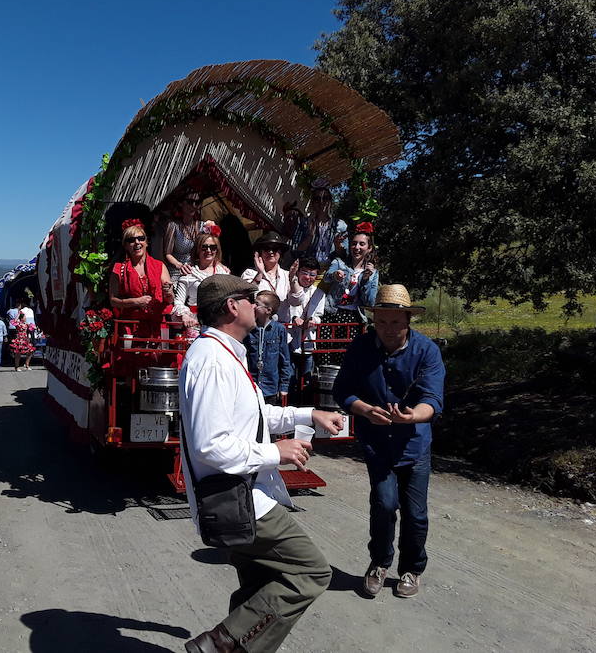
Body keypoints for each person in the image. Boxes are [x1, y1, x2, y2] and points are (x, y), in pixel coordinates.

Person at [180, 274, 344, 653]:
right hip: (239, 498)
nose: (259, 305)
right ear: (231, 307)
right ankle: (218, 644)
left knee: (259, 585)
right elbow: (211, 446)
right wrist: (277, 453)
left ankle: (230, 643)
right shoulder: (212, 361)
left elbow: (253, 416)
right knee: (312, 572)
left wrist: (307, 414)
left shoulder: (224, 353)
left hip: (244, 494)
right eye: (250, 298)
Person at [332, 284, 445, 599]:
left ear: (408, 320)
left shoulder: (427, 351)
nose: (388, 329)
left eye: (396, 322)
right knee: (383, 504)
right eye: (381, 322)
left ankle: (412, 568)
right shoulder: (361, 347)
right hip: (377, 443)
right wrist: (365, 410)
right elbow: (343, 390)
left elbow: (433, 399)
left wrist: (413, 417)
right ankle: (379, 562)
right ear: (373, 321)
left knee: (416, 512)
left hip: (415, 443)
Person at [317, 221, 379, 366]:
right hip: (332, 313)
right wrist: (334, 276)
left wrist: (366, 280)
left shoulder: (372, 273)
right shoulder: (339, 263)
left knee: (346, 357)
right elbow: (326, 277)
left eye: (362, 244)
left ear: (369, 248)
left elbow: (369, 302)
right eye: (354, 244)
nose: (357, 248)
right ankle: (323, 384)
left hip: (353, 318)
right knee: (324, 353)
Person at [109, 219, 173, 342]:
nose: (137, 242)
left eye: (141, 238)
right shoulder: (118, 269)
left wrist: (169, 292)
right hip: (131, 328)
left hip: (157, 327)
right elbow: (113, 300)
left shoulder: (159, 266)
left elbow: (169, 299)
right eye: (131, 240)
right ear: (125, 245)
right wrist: (136, 301)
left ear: (147, 242)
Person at [172, 225, 230, 338]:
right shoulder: (188, 273)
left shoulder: (224, 273)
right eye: (204, 247)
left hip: (219, 326)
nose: (208, 250)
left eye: (213, 247)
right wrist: (184, 315)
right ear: (198, 249)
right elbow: (178, 302)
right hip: (195, 325)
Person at [244, 291, 293, 405]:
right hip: (251, 385)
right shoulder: (248, 328)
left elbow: (284, 359)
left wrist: (284, 386)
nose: (253, 306)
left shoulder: (279, 329)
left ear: (268, 310)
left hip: (270, 387)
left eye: (257, 304)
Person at [287, 257, 326, 386]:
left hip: (308, 340)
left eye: (312, 274)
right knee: (290, 374)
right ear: (298, 272)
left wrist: (313, 320)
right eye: (304, 272)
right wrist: (293, 318)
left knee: (307, 376)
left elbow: (319, 316)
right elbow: (286, 309)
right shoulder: (290, 287)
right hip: (291, 338)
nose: (308, 277)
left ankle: (305, 400)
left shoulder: (319, 293)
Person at [163, 192, 215, 282]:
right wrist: (180, 265)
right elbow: (168, 254)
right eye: (190, 202)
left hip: (197, 270)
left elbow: (213, 248)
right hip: (177, 271)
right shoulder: (174, 226)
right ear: (181, 203)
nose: (194, 206)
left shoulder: (202, 226)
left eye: (197, 202)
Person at [241, 232, 292, 321]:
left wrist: (294, 281)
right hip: (257, 326)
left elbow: (297, 301)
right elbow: (246, 296)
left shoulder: (288, 275)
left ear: (280, 252)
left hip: (282, 326)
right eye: (266, 248)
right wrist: (260, 273)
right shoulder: (250, 273)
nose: (271, 252)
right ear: (259, 253)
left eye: (275, 249)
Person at [301, 181, 348, 268]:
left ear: (330, 201)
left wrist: (337, 245)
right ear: (312, 202)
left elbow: (345, 256)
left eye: (325, 198)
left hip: (330, 273)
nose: (321, 202)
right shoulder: (304, 223)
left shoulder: (340, 225)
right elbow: (295, 252)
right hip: (308, 271)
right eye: (317, 199)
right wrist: (310, 237)